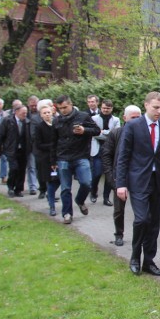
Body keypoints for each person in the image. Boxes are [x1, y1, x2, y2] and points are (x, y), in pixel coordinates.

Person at [116, 91, 160, 276]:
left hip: (157, 181)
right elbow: (123, 156)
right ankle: (135, 256)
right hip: (138, 181)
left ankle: (149, 261)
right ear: (146, 106)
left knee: (154, 224)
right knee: (141, 219)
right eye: (155, 107)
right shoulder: (133, 126)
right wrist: (121, 183)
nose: (159, 111)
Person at [52, 95, 100, 224]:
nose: (63, 110)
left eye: (65, 107)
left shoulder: (83, 116)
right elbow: (53, 141)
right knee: (65, 188)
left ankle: (80, 200)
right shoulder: (56, 121)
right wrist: (52, 161)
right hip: (63, 157)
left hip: (81, 156)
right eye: (60, 108)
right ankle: (67, 213)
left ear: (71, 104)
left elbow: (96, 130)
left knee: (86, 183)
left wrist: (84, 130)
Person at [102, 105, 141, 247]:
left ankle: (141, 236)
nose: (136, 121)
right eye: (133, 118)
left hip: (138, 177)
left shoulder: (144, 134)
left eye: (138, 118)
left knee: (142, 210)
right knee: (119, 209)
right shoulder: (116, 133)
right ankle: (119, 234)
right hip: (120, 177)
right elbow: (106, 155)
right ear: (125, 118)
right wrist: (111, 177)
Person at [90, 99, 120, 205]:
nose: (105, 110)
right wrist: (106, 133)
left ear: (111, 109)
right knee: (97, 173)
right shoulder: (94, 118)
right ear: (101, 107)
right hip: (97, 149)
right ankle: (93, 192)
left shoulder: (116, 120)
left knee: (108, 175)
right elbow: (94, 133)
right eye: (103, 108)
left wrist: (102, 132)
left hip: (110, 149)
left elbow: (115, 134)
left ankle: (106, 198)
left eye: (107, 108)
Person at [0, 104, 30, 197]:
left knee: (22, 170)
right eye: (23, 113)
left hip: (23, 150)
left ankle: (18, 189)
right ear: (16, 112)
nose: (25, 115)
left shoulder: (27, 122)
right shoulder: (7, 121)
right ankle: (10, 187)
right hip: (11, 150)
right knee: (14, 168)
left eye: (26, 113)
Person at [33, 104, 59, 215]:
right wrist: (53, 146)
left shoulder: (57, 124)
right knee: (50, 181)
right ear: (41, 115)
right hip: (46, 158)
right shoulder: (39, 127)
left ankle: (50, 194)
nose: (47, 114)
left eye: (48, 112)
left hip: (59, 157)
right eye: (44, 113)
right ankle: (52, 206)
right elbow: (38, 144)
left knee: (60, 179)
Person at [26, 95, 40, 195]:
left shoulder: (42, 114)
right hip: (29, 145)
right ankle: (33, 186)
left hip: (40, 146)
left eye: (35, 105)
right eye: (32, 106)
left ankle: (41, 186)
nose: (34, 107)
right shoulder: (26, 115)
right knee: (31, 167)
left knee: (40, 167)